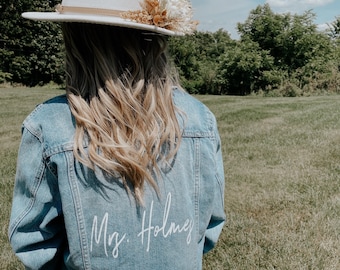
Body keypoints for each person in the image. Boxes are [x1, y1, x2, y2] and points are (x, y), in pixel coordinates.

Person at [8, 0, 225, 269]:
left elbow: (33, 241)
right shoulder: (198, 119)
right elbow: (209, 225)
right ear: (154, 41)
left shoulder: (49, 126)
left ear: (75, 39)